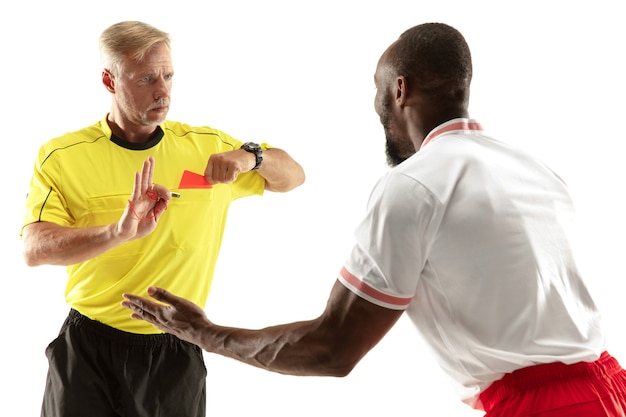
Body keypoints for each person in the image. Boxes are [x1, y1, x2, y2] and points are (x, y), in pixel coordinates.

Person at [121, 22, 626, 417]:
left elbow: (333, 348)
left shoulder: (413, 184)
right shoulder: (532, 166)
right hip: (612, 387)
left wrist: (206, 333)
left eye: (379, 92)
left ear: (399, 90)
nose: (377, 108)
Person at [21, 20, 305, 417]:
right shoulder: (62, 155)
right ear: (109, 80)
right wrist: (117, 233)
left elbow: (293, 176)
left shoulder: (206, 147)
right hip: (87, 349)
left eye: (168, 75)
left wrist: (250, 157)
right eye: (146, 78)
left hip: (176, 346)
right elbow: (34, 249)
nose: (163, 90)